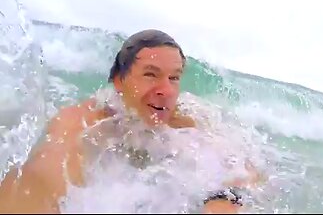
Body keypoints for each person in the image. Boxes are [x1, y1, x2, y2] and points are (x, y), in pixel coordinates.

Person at [0, 29, 260, 213]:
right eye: (151, 74)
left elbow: (242, 169)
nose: (166, 90)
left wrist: (223, 200)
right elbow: (41, 179)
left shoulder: (185, 117)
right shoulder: (84, 121)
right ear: (119, 80)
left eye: (174, 78)